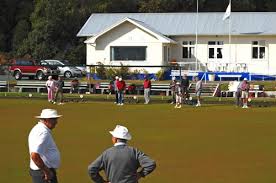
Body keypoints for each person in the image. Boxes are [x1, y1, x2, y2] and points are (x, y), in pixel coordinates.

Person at [88, 125, 156, 183]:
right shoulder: (134, 151)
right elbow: (151, 164)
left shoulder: (107, 153)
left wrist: (102, 182)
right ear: (126, 139)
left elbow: (91, 169)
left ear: (115, 139)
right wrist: (140, 174)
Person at [28, 109, 62, 183]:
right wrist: (46, 171)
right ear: (46, 120)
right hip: (43, 173)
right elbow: (34, 155)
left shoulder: (38, 128)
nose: (56, 122)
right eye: (54, 119)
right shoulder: (43, 133)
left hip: (41, 171)